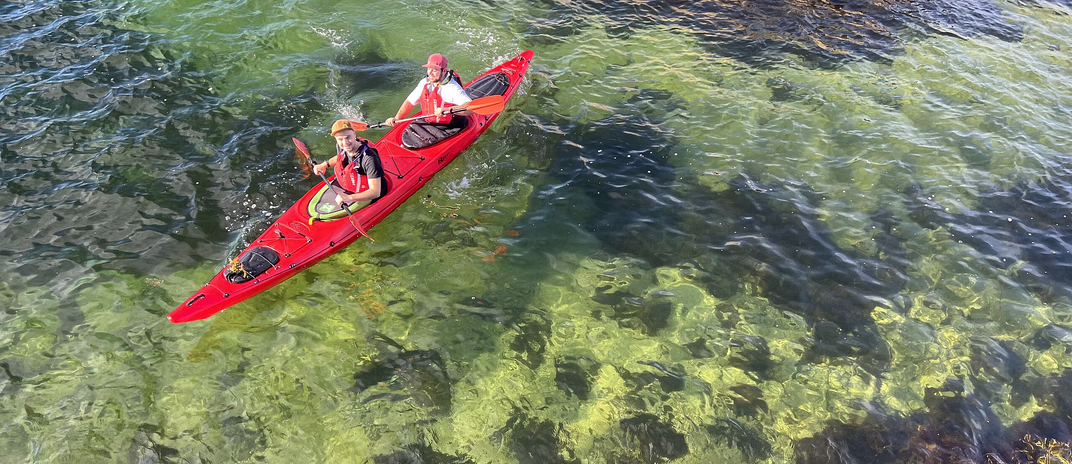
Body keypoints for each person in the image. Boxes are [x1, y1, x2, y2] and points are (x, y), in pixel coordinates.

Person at [384, 53, 472, 148]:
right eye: (429, 69)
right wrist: (397, 118)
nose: (430, 73)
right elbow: (410, 102)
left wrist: (447, 110)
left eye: (434, 70)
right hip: (428, 121)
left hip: (449, 126)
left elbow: (471, 108)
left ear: (444, 71)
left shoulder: (452, 88)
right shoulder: (424, 83)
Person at [312, 119, 384, 206]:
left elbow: (375, 192)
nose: (345, 143)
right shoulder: (341, 146)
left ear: (354, 134)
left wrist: (348, 198)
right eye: (340, 139)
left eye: (348, 137)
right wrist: (324, 165)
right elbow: (340, 157)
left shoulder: (369, 158)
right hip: (349, 190)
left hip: (370, 196)